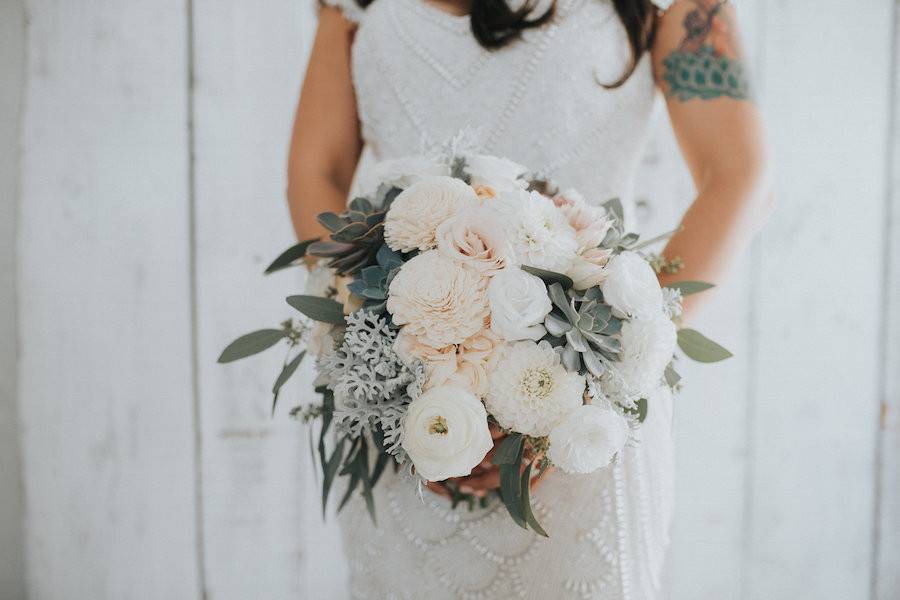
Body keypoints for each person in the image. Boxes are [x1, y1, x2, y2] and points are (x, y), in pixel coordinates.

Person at [288, 1, 773, 597]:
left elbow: (739, 174)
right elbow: (318, 168)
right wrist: (385, 356)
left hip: (587, 414)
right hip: (409, 407)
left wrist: (612, 361)